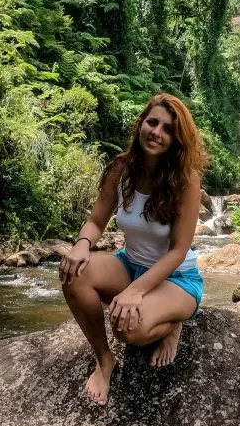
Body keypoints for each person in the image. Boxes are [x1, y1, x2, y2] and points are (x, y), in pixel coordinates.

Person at [58, 93, 206, 405]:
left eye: (168, 129)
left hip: (177, 278)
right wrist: (83, 245)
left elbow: (178, 251)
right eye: (153, 122)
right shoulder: (121, 169)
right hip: (131, 264)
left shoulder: (186, 180)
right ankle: (104, 360)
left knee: (128, 329)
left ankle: (171, 325)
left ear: (177, 140)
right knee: (73, 273)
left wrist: (135, 291)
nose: (157, 132)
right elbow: (96, 221)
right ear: (141, 123)